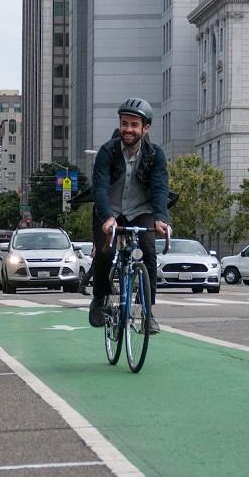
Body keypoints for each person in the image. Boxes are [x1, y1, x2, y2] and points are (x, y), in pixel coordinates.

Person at [88, 98, 170, 334]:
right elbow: (100, 187)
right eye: (125, 124)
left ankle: (147, 313)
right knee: (106, 251)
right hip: (109, 212)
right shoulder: (107, 151)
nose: (128, 130)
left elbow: (159, 187)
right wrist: (106, 217)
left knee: (148, 252)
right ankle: (99, 299)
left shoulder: (156, 155)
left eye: (134, 125)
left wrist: (160, 218)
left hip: (140, 210)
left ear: (146, 128)